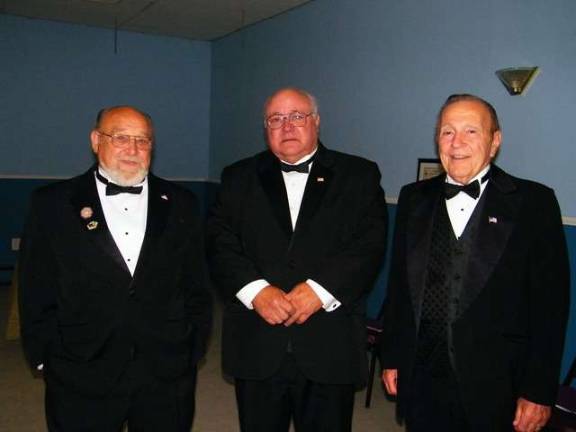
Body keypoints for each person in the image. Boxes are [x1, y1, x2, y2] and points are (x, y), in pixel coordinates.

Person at [379, 94, 570, 432]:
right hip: (422, 376)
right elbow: (398, 288)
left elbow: (550, 308)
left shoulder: (534, 203)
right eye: (447, 132)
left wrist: (538, 391)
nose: (457, 144)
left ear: (495, 141)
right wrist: (393, 356)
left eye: (471, 131)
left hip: (497, 385)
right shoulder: (412, 197)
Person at [18, 106, 212, 431]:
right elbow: (35, 286)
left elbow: (197, 285)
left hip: (164, 370)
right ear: (96, 140)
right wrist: (44, 356)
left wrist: (191, 350)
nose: (132, 150)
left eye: (142, 140)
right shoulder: (52, 203)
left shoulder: (182, 203)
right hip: (80, 368)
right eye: (120, 137)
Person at [207, 87, 388, 431]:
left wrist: (320, 291)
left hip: (329, 344)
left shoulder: (359, 175)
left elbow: (369, 244)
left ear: (316, 122)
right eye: (276, 119)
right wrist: (256, 290)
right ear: (266, 128)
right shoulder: (237, 176)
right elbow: (219, 241)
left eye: (297, 117)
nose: (287, 126)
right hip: (257, 341)